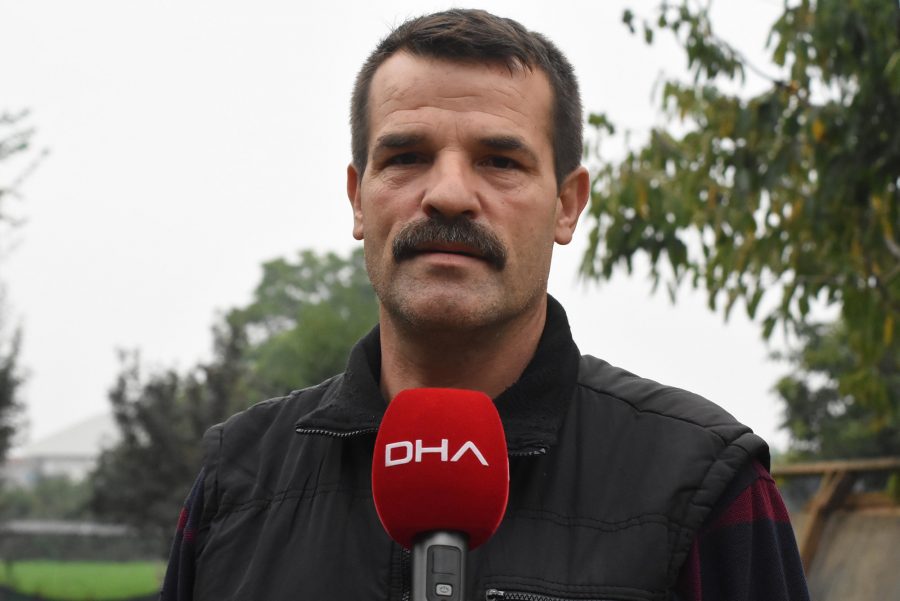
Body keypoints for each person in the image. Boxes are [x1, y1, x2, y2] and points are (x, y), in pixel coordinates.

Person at [161, 9, 810, 601]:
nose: (448, 194)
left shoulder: (703, 483)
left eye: (499, 161)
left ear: (567, 205)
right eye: (406, 156)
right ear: (358, 199)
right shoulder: (236, 482)